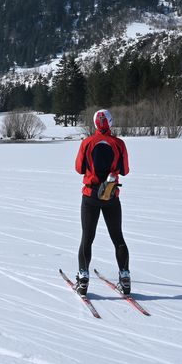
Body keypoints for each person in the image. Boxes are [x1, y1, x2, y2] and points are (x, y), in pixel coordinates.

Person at [73, 109, 131, 296]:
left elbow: (79, 168)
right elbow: (125, 170)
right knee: (118, 238)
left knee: (87, 238)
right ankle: (125, 278)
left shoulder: (87, 143)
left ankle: (83, 280)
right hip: (110, 196)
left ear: (95, 124)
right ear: (111, 123)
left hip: (90, 197)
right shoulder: (119, 144)